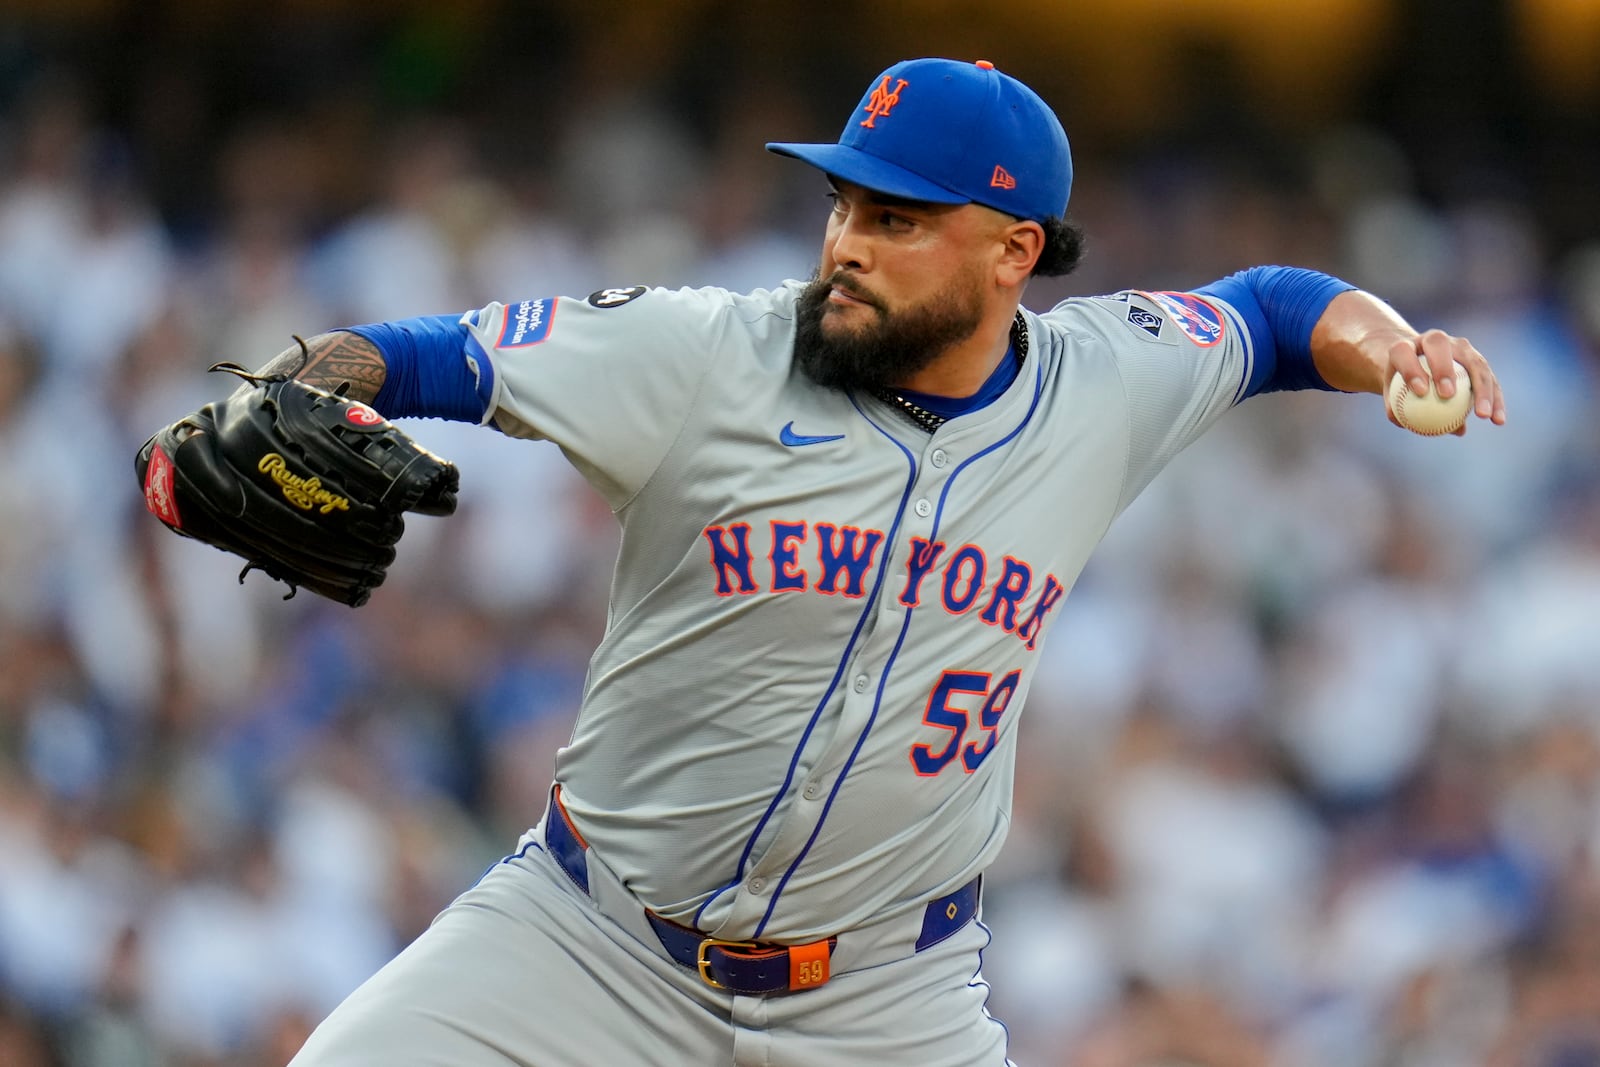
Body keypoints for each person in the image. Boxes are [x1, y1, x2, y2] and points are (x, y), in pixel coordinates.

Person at [212, 57, 1504, 1066]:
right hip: (588, 943)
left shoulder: (1105, 380)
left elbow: (1273, 309)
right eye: (840, 205)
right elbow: (427, 352)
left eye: (893, 218)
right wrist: (300, 384)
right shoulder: (707, 351)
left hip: (884, 998)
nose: (845, 244)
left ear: (1013, 251)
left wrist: (1387, 346)